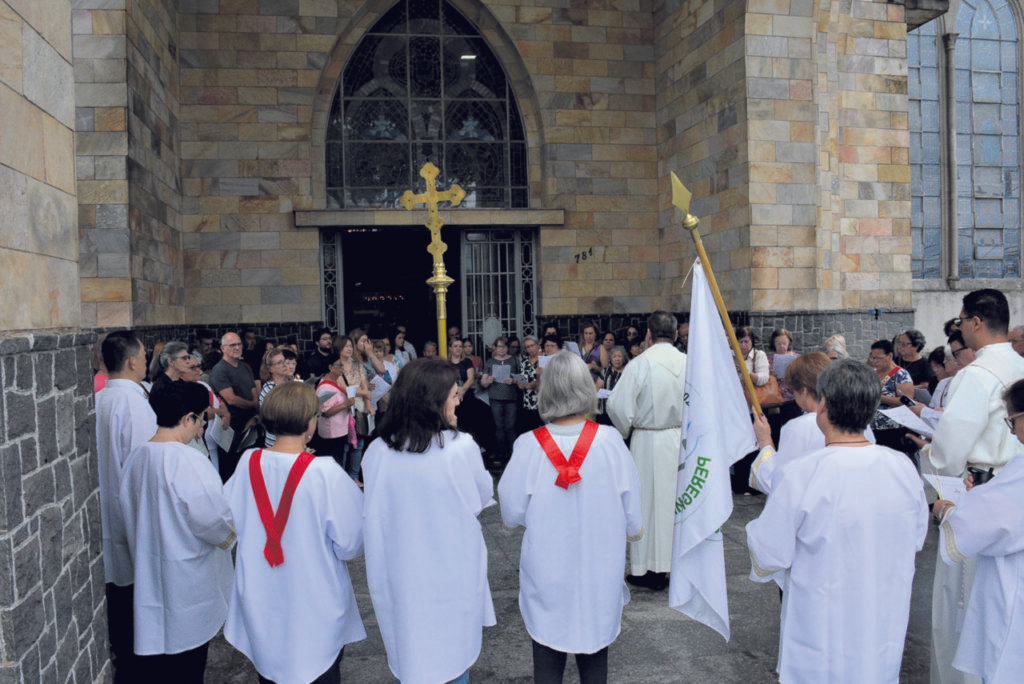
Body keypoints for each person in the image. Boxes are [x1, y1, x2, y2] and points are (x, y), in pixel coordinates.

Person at [746, 359, 928, 682]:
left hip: (823, 621)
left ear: (823, 406)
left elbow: (769, 552)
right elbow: (916, 537)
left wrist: (754, 530)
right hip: (880, 612)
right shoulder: (903, 468)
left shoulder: (801, 473)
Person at [498, 351, 642, 684]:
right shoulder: (610, 442)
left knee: (547, 655)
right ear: (586, 388)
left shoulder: (529, 446)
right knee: (595, 656)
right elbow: (632, 512)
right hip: (598, 570)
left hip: (547, 572)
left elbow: (512, 512)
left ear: (546, 391)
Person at [362, 358, 496, 684]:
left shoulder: (378, 450)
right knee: (453, 650)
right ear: (432, 402)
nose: (459, 401)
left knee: (412, 651)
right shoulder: (460, 448)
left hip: (401, 570)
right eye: (454, 395)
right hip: (450, 568)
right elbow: (480, 497)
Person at [225, 382, 365, 684]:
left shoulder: (248, 463)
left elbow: (227, 517)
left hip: (260, 597)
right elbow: (351, 543)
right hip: (313, 601)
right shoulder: (324, 473)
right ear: (311, 423)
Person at [922, 289, 1024, 684]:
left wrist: (937, 483)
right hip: (1014, 491)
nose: (961, 327)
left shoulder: (976, 375)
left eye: (962, 320)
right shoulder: (1020, 365)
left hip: (983, 498)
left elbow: (949, 450)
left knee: (964, 610)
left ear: (976, 322)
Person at [119, 381, 234, 683]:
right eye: (202, 419)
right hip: (187, 577)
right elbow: (212, 520)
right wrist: (231, 533)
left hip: (147, 566)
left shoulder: (137, 456)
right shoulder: (189, 461)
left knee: (159, 660)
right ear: (188, 418)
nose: (202, 427)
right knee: (188, 662)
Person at [606, 311, 686, 591]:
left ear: (649, 335)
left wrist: (626, 429)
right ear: (675, 335)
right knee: (677, 503)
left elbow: (617, 406)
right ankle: (677, 564)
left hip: (648, 440)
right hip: (680, 440)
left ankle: (649, 569)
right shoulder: (689, 362)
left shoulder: (640, 364)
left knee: (647, 504)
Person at [95, 330, 158, 683]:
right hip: (129, 516)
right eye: (145, 356)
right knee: (132, 596)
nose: (147, 361)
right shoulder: (132, 404)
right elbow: (142, 469)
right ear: (132, 361)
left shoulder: (101, 398)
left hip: (106, 511)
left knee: (118, 593)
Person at [210, 332, 260, 482]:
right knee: (231, 469)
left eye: (239, 344)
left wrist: (255, 413)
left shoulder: (245, 367)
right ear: (223, 348)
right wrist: (254, 405)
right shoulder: (220, 369)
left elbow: (254, 392)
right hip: (231, 427)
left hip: (250, 424)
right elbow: (231, 399)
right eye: (232, 345)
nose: (237, 348)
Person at [866, 339, 915, 454]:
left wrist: (880, 397)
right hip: (872, 427)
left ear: (890, 356)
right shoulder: (873, 373)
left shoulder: (901, 375)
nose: (875, 361)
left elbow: (907, 402)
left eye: (878, 358)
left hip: (893, 429)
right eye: (873, 358)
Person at [479, 336, 520, 466]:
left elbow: (522, 378)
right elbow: (483, 382)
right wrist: (488, 380)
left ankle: (513, 455)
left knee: (510, 426)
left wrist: (513, 380)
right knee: (499, 427)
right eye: (499, 346)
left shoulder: (514, 360)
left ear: (507, 347)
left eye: (504, 346)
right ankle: (501, 454)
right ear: (495, 348)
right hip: (495, 398)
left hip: (511, 398)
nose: (501, 349)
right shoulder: (490, 361)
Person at [258, 346, 299, 449]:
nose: (285, 365)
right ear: (270, 368)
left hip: (296, 437)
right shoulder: (269, 388)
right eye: (280, 363)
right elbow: (273, 417)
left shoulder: (292, 382)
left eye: (284, 361)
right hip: (277, 442)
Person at [595, 345, 628, 426]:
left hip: (621, 413)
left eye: (619, 356)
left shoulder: (628, 372)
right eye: (614, 356)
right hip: (605, 412)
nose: (617, 359)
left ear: (624, 359)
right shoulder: (605, 372)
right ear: (610, 359)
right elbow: (597, 389)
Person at [517, 335, 544, 433]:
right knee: (530, 433)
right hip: (527, 403)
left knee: (543, 433)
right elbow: (520, 379)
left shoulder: (544, 359)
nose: (530, 349)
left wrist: (535, 383)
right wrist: (520, 384)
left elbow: (550, 379)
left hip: (542, 403)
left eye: (532, 345)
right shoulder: (524, 361)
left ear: (537, 345)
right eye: (527, 347)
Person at [897, 329, 936, 393]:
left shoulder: (925, 363)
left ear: (916, 346)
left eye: (904, 344)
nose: (900, 347)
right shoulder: (895, 360)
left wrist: (905, 389)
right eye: (899, 343)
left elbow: (925, 386)